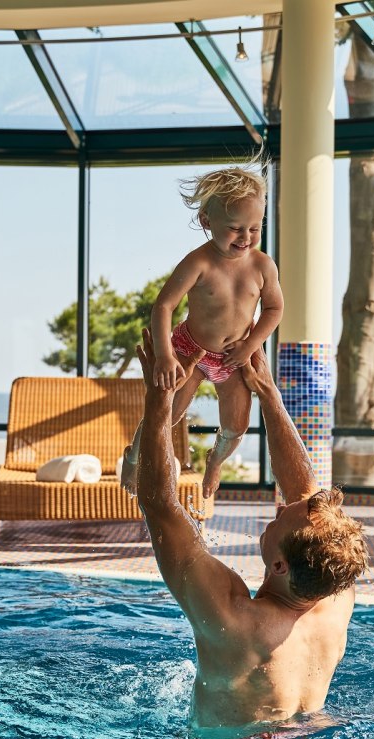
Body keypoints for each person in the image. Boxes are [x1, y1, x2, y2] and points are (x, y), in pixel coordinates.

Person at [132, 328, 368, 739]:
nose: (279, 507)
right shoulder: (336, 594)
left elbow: (159, 505)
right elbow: (304, 490)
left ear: (279, 565)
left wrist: (160, 401)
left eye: (281, 519)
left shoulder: (234, 619)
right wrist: (268, 392)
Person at [121, 162, 284, 499]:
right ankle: (134, 458)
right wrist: (165, 355)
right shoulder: (199, 262)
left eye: (255, 228)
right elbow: (163, 306)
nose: (246, 237)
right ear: (207, 221)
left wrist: (250, 345)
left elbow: (274, 309)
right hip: (189, 349)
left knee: (236, 425)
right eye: (235, 228)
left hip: (234, 357)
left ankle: (215, 461)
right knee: (165, 412)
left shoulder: (263, 266)